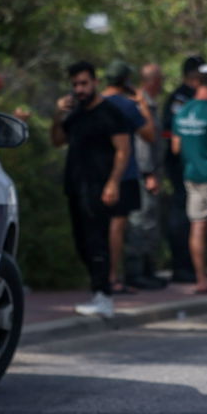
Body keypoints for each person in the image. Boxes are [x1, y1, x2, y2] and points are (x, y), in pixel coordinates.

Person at [52, 61, 132, 318]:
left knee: (97, 242)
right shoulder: (75, 113)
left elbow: (123, 150)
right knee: (82, 243)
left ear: (95, 82)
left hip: (100, 187)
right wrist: (57, 115)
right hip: (76, 186)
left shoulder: (110, 113)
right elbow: (57, 140)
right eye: (75, 84)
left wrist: (113, 182)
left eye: (84, 83)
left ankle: (104, 296)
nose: (80, 89)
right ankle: (97, 291)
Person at [171, 64, 207, 294]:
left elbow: (175, 147)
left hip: (190, 174)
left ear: (196, 83)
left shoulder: (182, 111)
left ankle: (201, 278)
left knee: (196, 226)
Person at [102, 61, 153, 294]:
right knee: (117, 227)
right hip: (124, 174)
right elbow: (149, 133)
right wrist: (142, 104)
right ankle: (113, 277)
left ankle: (103, 275)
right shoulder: (126, 105)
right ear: (126, 81)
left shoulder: (96, 102)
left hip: (97, 173)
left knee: (100, 226)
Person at [162, 55, 205, 283]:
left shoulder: (194, 97)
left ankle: (192, 265)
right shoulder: (180, 98)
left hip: (193, 165)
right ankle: (181, 267)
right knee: (182, 214)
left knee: (192, 217)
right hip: (180, 166)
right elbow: (173, 132)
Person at [125, 63, 167, 289]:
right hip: (143, 173)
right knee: (141, 222)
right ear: (152, 81)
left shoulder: (149, 104)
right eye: (160, 80)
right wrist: (149, 172)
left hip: (150, 171)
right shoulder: (141, 104)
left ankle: (148, 270)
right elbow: (142, 143)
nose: (162, 85)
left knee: (150, 223)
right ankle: (136, 272)